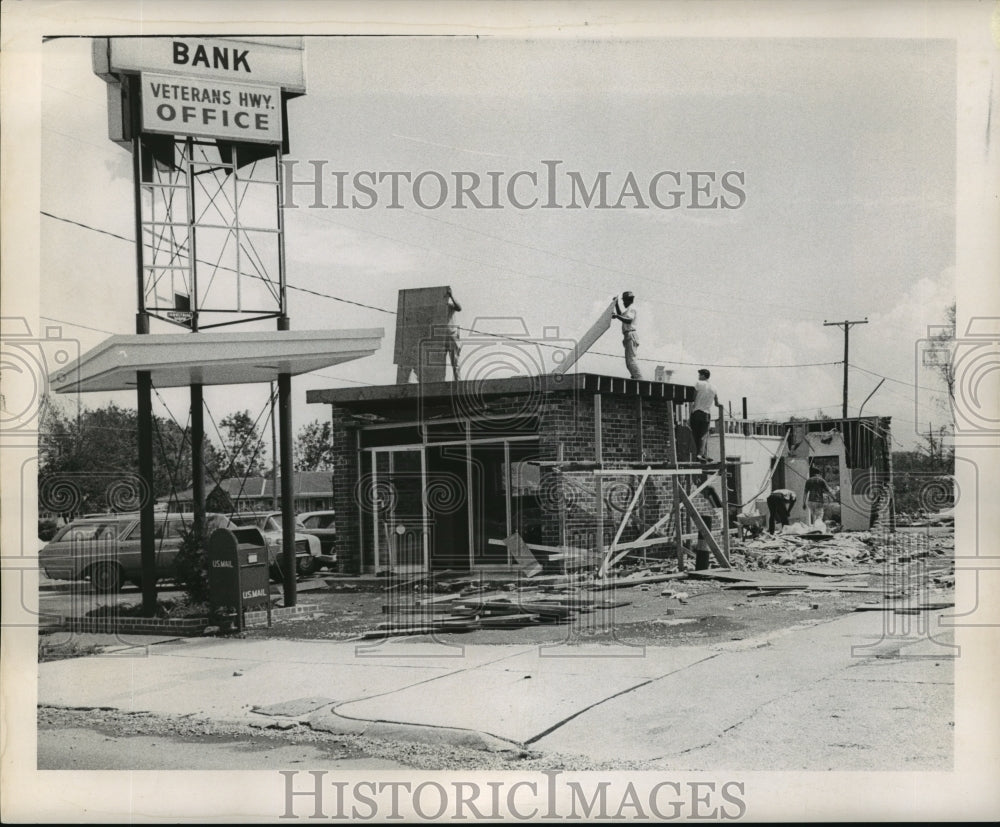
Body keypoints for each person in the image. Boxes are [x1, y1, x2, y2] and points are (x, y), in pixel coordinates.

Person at [612, 291, 642, 380]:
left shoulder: (632, 308)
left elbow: (628, 320)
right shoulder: (628, 309)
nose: (623, 303)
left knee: (631, 361)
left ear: (629, 300)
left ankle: (640, 379)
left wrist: (617, 316)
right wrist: (616, 305)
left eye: (624, 300)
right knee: (629, 362)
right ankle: (636, 377)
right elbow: (622, 315)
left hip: (631, 334)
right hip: (627, 335)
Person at [690, 368, 718, 461]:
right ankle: (703, 454)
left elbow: (693, 398)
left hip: (697, 412)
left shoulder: (698, 384)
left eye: (699, 375)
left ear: (703, 375)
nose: (698, 376)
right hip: (706, 413)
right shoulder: (714, 387)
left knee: (696, 434)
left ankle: (698, 454)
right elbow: (717, 403)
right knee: (704, 435)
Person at [444, 287, 462, 381]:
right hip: (440, 336)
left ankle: (458, 381)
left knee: (455, 360)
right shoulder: (437, 308)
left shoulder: (450, 306)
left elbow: (459, 308)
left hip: (451, 335)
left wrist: (451, 296)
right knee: (438, 363)